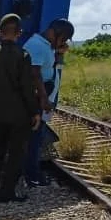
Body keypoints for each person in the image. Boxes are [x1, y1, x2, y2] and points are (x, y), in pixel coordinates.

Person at [0, 14, 41, 203]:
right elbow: (27, 88)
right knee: (15, 154)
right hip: (19, 114)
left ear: (0, 33)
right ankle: (7, 192)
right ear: (19, 33)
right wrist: (34, 112)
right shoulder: (23, 56)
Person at [21, 19, 75, 187]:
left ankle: (31, 173)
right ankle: (32, 175)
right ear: (54, 33)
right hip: (36, 101)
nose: (63, 42)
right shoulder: (37, 45)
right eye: (62, 38)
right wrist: (44, 99)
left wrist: (58, 53)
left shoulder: (45, 45)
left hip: (40, 100)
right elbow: (34, 74)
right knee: (33, 140)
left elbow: (47, 67)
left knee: (35, 139)